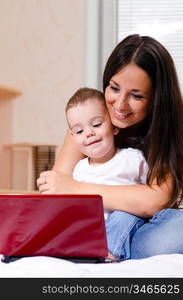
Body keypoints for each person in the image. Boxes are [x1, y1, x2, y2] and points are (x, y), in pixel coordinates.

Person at [37, 34, 183, 259]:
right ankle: (103, 248)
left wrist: (76, 189)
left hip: (139, 229)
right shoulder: (89, 122)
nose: (120, 105)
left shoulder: (166, 132)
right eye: (114, 88)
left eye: (136, 95)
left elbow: (156, 200)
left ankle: (113, 249)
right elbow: (57, 186)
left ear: (156, 99)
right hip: (89, 228)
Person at [65, 86, 148, 259]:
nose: (89, 133)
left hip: (126, 223)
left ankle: (107, 255)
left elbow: (150, 195)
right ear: (73, 138)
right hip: (91, 229)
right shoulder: (79, 169)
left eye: (96, 124)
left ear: (114, 126)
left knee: (124, 215)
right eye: (79, 131)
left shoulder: (132, 158)